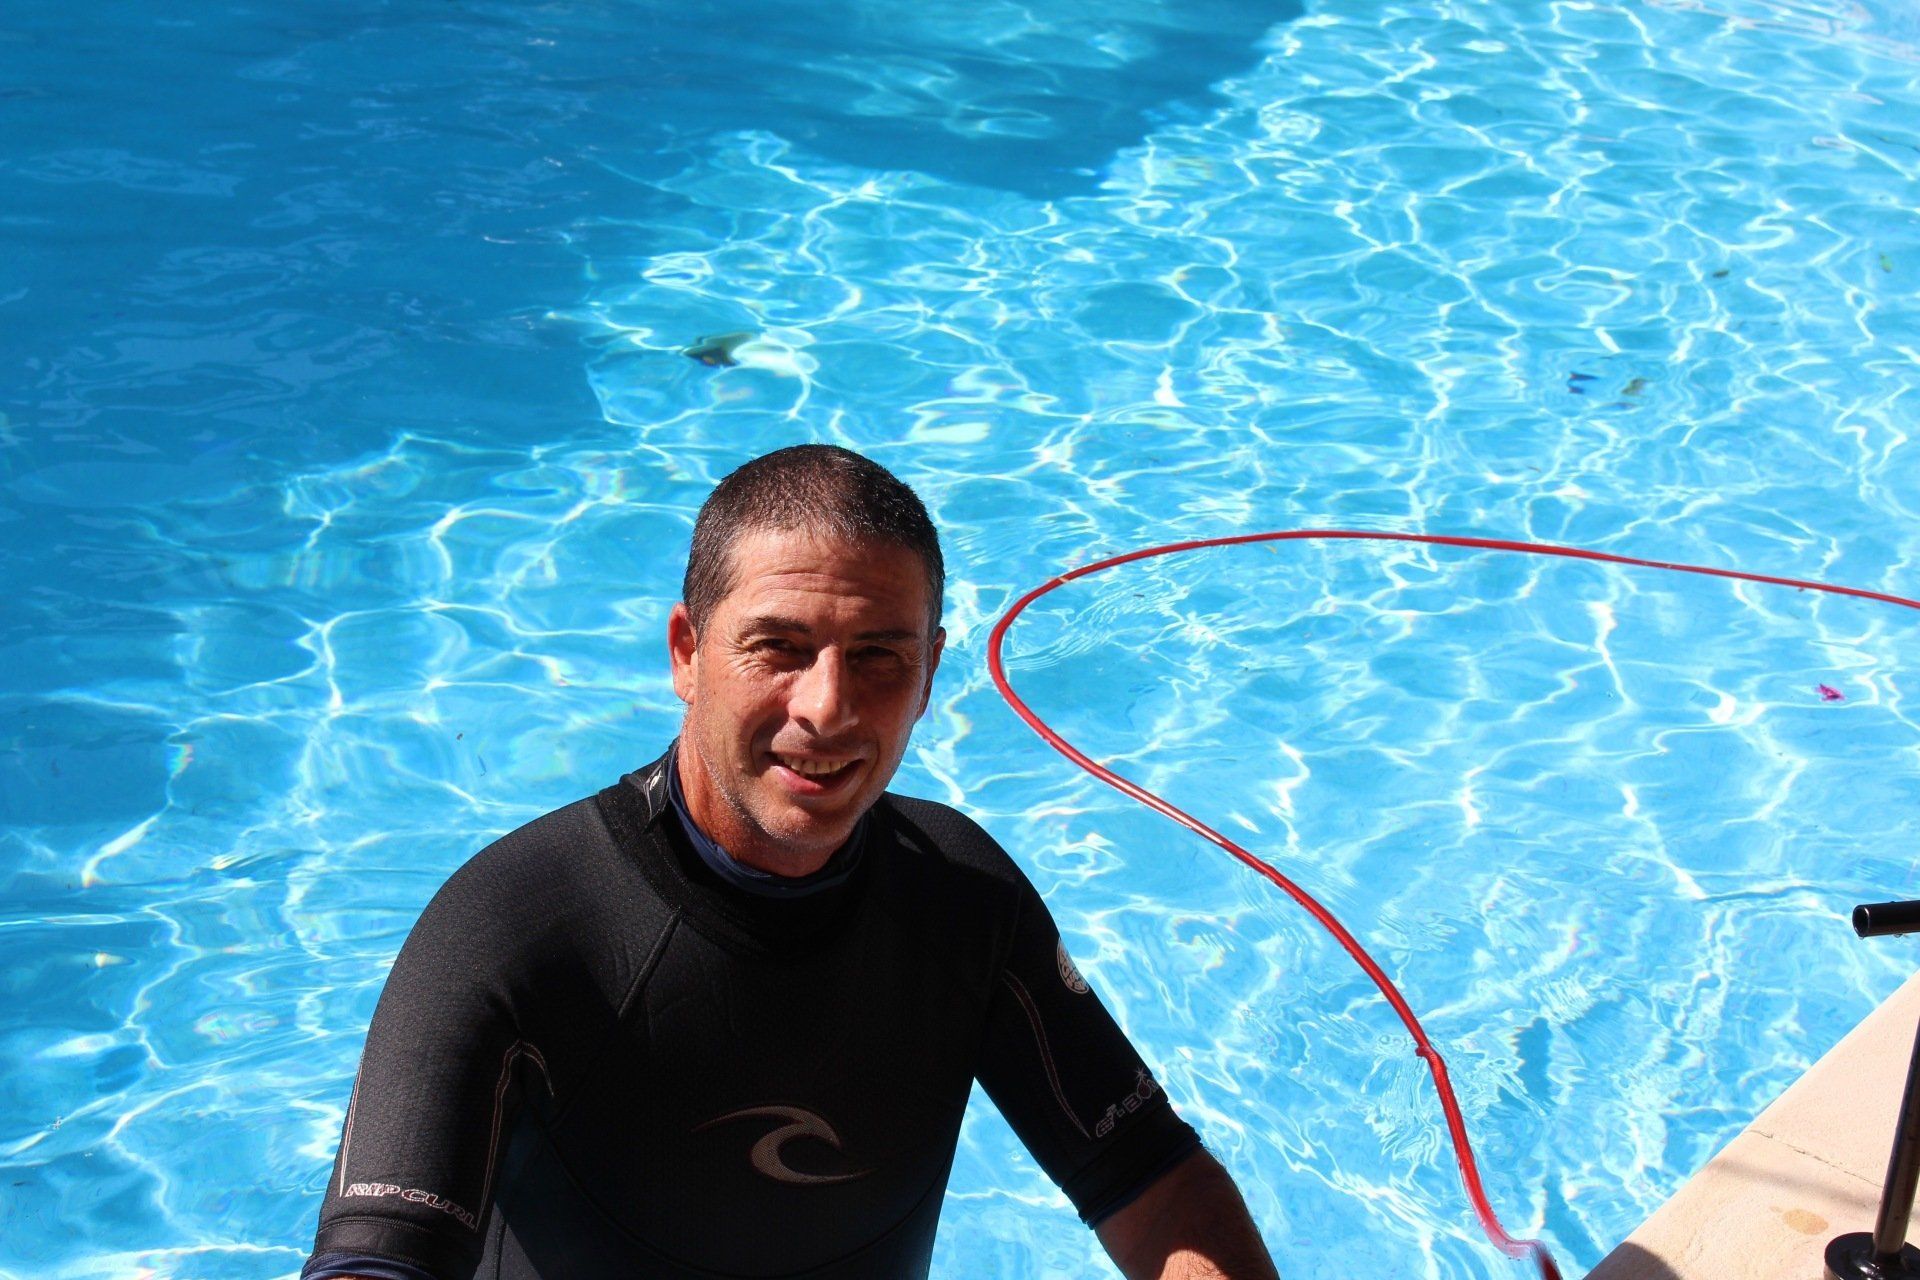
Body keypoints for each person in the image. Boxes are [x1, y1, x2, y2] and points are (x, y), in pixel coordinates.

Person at [302, 445, 1280, 1280]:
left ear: (932, 673)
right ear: (687, 650)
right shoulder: (516, 926)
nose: (828, 706)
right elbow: (376, 1259)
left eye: (878, 655)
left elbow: (1158, 1188)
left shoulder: (960, 899)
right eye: (780, 646)